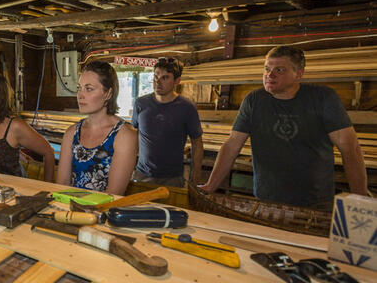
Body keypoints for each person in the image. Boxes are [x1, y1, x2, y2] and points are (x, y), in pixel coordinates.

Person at [200, 45, 368, 208]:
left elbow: (350, 149)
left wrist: (360, 201)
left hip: (316, 203)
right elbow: (232, 145)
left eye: (279, 70)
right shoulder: (254, 101)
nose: (269, 75)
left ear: (298, 74)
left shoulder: (322, 99)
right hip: (266, 200)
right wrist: (210, 186)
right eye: (267, 69)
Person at [56, 61, 136, 194]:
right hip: (69, 210)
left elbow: (113, 195)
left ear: (108, 94)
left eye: (89, 89)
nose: (80, 95)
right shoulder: (71, 133)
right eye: (79, 88)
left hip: (103, 211)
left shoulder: (124, 136)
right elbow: (62, 185)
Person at [130, 57, 203, 187]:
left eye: (165, 78)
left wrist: (196, 174)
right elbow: (132, 137)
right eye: (156, 77)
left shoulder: (187, 107)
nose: (158, 82)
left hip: (172, 179)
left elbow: (197, 142)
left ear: (177, 81)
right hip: (142, 175)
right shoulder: (141, 103)